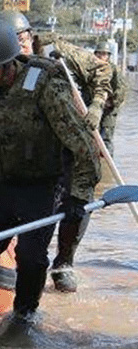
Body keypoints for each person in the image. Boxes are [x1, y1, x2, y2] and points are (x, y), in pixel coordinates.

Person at [0, 19, 100, 332]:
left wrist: (79, 194)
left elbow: (82, 145)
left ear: (8, 63)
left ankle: (23, 318)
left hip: (43, 185)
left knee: (31, 257)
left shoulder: (44, 82)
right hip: (2, 183)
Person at [32, 33, 112, 293]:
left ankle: (64, 262)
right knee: (39, 206)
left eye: (23, 39)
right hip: (38, 146)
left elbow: (102, 69)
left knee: (77, 202)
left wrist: (97, 105)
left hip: (74, 141)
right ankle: (32, 262)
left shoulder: (57, 49)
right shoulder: (7, 62)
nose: (20, 45)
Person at [93, 41, 127, 156]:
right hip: (97, 105)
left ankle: (108, 164)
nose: (101, 57)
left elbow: (121, 89)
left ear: (108, 56)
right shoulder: (92, 68)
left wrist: (112, 102)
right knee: (93, 135)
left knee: (106, 137)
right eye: (99, 54)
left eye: (104, 54)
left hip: (110, 108)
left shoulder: (113, 69)